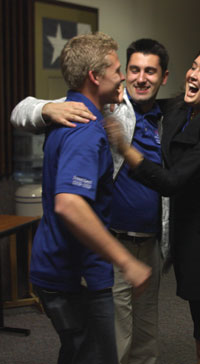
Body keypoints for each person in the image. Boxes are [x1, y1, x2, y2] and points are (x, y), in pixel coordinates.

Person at [10, 39, 200, 364]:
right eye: (131, 69)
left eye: (150, 71)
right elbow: (19, 111)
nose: (138, 78)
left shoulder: (173, 114)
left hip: (152, 246)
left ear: (164, 78)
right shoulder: (106, 109)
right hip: (113, 244)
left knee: (146, 342)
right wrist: (46, 108)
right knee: (112, 345)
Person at [105, 44, 200, 364]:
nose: (193, 74)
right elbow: (145, 95)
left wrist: (125, 148)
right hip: (197, 249)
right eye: (193, 66)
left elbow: (173, 180)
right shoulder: (178, 110)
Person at [29, 32, 151, 364]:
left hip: (67, 270)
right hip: (73, 275)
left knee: (78, 354)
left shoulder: (75, 116)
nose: (123, 76)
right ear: (95, 77)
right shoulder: (84, 129)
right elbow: (69, 203)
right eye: (116, 69)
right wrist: (126, 261)